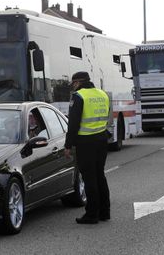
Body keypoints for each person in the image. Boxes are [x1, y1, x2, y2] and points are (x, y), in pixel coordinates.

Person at [64, 71, 111, 224]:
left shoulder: (79, 96)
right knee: (99, 175)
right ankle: (104, 212)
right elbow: (107, 116)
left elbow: (73, 123)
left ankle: (91, 214)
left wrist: (68, 145)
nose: (73, 87)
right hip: (102, 139)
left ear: (78, 82)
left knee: (89, 178)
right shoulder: (102, 94)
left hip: (85, 142)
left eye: (74, 84)